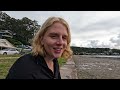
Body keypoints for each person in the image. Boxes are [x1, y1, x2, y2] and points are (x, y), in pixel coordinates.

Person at [6, 17, 73, 79]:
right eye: (53, 36)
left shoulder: (53, 61)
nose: (60, 42)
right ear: (41, 39)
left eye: (64, 38)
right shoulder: (24, 67)